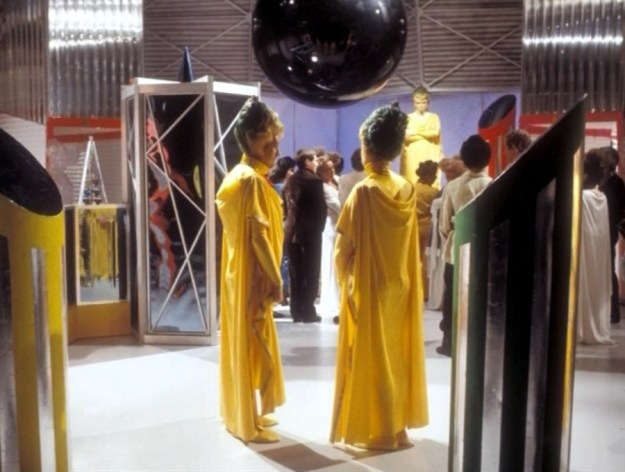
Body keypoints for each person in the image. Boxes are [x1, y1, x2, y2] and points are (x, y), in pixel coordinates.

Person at [330, 103, 428, 450]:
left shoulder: (364, 191)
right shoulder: (406, 188)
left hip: (370, 285)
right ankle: (398, 427)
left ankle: (380, 430)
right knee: (395, 354)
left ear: (368, 147)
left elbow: (343, 249)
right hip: (399, 284)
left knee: (372, 358)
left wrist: (343, 282)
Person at [215, 97, 286, 444]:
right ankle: (248, 422)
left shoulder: (238, 176)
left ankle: (246, 413)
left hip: (238, 272)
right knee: (256, 343)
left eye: (275, 141)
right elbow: (259, 236)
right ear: (251, 140)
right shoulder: (252, 181)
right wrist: (276, 277)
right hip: (253, 275)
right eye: (268, 142)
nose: (275, 148)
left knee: (247, 341)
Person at [438, 135, 492, 356]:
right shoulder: (492, 185)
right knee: (480, 297)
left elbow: (444, 224)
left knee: (453, 296)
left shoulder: (452, 186)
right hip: (485, 250)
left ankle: (450, 341)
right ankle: (479, 342)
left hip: (457, 248)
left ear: (465, 159)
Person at [283, 149, 327, 323]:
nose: (316, 163)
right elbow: (321, 209)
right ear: (307, 162)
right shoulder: (314, 181)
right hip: (310, 232)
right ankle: (308, 311)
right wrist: (319, 229)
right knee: (310, 271)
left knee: (295, 272)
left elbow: (286, 207)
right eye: (314, 159)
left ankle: (296, 311)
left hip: (291, 231)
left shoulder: (290, 180)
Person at [577, 149, 615, 344]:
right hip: (598, 250)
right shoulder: (602, 197)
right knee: (596, 283)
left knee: (584, 282)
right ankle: (596, 324)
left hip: (585, 247)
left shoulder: (582, 197)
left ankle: (583, 325)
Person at [599, 146, 625, 324]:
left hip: (607, 230)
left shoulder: (614, 184)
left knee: (608, 268)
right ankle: (608, 311)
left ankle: (613, 311)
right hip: (603, 229)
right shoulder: (614, 182)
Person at [400, 86, 442, 186]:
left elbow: (435, 133)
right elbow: (407, 138)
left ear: (428, 103)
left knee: (431, 184)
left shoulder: (434, 117)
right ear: (413, 103)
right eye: (418, 103)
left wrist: (416, 132)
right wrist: (427, 134)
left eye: (424, 103)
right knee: (412, 183)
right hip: (412, 157)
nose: (421, 106)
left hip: (430, 155)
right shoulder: (407, 118)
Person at [268, 156, 296, 305]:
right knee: (283, 259)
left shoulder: (273, 185)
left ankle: (282, 292)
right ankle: (283, 293)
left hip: (277, 224)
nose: (293, 173)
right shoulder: (282, 187)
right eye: (292, 170)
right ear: (287, 170)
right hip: (283, 225)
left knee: (281, 258)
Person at [316, 155, 341, 317]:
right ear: (321, 171)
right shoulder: (323, 187)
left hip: (341, 225)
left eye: (332, 168)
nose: (331, 171)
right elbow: (338, 206)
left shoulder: (337, 180)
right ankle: (332, 299)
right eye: (327, 169)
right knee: (331, 260)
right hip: (331, 226)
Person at [414, 160, 439, 301]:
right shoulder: (434, 192)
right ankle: (424, 292)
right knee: (426, 262)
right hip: (427, 226)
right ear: (428, 175)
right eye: (434, 174)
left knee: (411, 260)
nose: (435, 177)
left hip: (412, 226)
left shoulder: (410, 188)